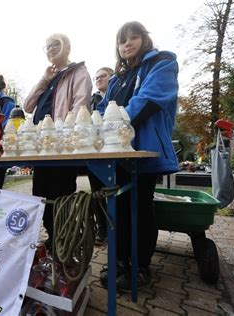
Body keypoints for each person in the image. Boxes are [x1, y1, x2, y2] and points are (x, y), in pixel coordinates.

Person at [96, 21, 179, 291]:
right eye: (123, 40)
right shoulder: (117, 80)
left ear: (145, 40)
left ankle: (140, 265)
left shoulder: (163, 63)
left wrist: (112, 123)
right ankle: (119, 260)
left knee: (140, 207)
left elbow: (149, 99)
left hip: (143, 150)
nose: (128, 43)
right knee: (117, 208)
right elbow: (101, 108)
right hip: (114, 153)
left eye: (134, 37)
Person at [24, 33, 92, 250]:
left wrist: (65, 137)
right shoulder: (49, 78)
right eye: (47, 46)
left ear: (67, 47)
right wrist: (44, 79)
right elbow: (27, 106)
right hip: (41, 149)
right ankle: (53, 239)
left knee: (61, 196)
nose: (51, 49)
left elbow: (80, 108)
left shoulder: (78, 72)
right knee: (41, 195)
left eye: (56, 45)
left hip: (61, 148)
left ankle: (64, 242)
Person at [88, 67, 114, 246]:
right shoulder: (92, 100)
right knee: (97, 193)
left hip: (113, 150)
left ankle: (114, 229)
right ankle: (102, 228)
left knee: (113, 192)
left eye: (103, 76)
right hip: (95, 151)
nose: (98, 79)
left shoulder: (117, 95)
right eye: (96, 77)